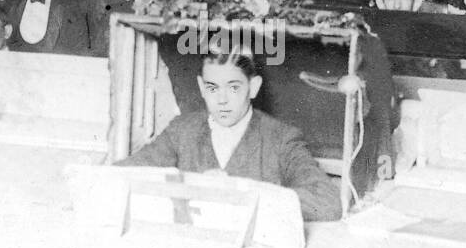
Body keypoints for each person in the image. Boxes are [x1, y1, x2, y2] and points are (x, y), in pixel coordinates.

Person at [118, 42, 342, 222]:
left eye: (234, 87)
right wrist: (190, 187)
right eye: (212, 87)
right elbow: (120, 175)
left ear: (253, 87)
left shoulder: (281, 138)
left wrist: (241, 194)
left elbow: (327, 201)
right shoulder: (182, 130)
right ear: (200, 86)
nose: (221, 99)